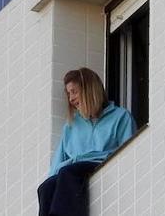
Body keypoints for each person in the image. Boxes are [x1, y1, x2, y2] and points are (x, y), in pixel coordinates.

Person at [37, 67, 136, 216]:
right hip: (73, 170)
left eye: (74, 92)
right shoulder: (71, 125)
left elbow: (129, 154)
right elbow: (57, 165)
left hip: (100, 164)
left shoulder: (121, 117)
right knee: (46, 187)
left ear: (90, 90)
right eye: (68, 94)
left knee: (68, 172)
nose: (70, 99)